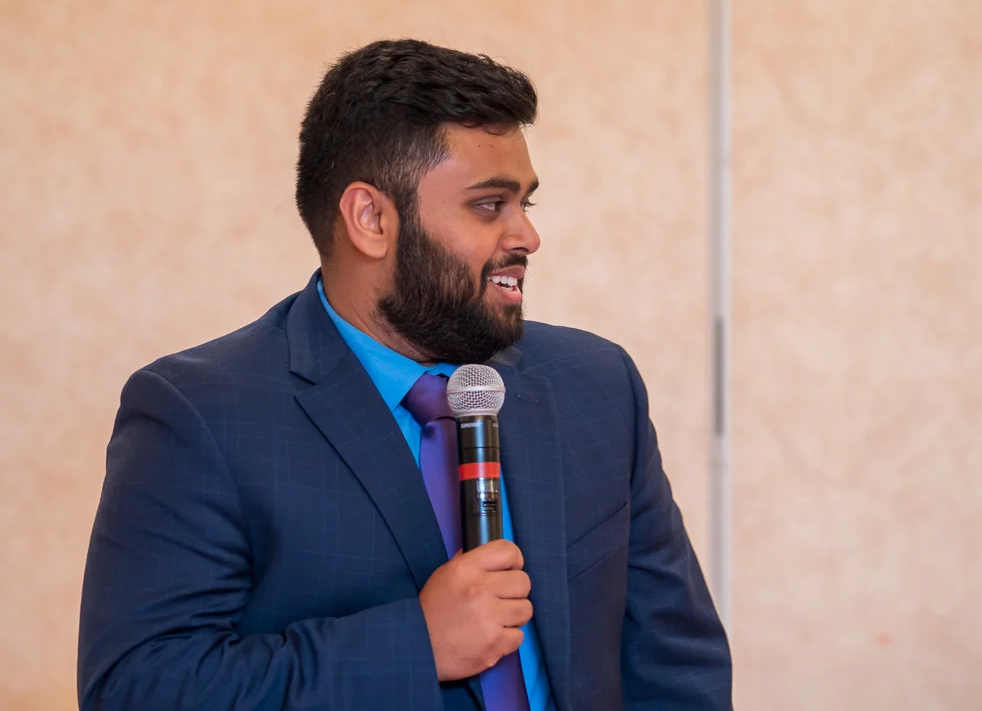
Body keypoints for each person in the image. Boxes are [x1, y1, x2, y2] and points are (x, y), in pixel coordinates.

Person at [78, 39, 732, 711]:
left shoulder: (596, 385)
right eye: (489, 205)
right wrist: (417, 645)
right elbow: (139, 689)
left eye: (525, 205)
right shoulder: (200, 412)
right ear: (371, 219)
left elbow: (676, 663)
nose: (526, 237)